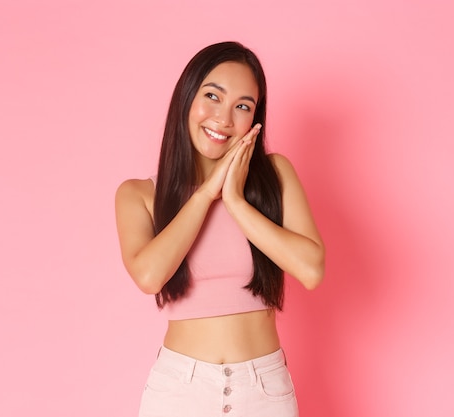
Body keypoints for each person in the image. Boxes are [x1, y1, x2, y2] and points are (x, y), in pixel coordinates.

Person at [115, 41, 325, 417]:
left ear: (255, 118)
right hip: (179, 392)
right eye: (213, 96)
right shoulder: (140, 195)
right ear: (186, 98)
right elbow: (149, 276)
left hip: (264, 391)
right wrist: (207, 193)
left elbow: (311, 270)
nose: (224, 118)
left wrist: (237, 202)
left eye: (242, 106)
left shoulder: (276, 175)